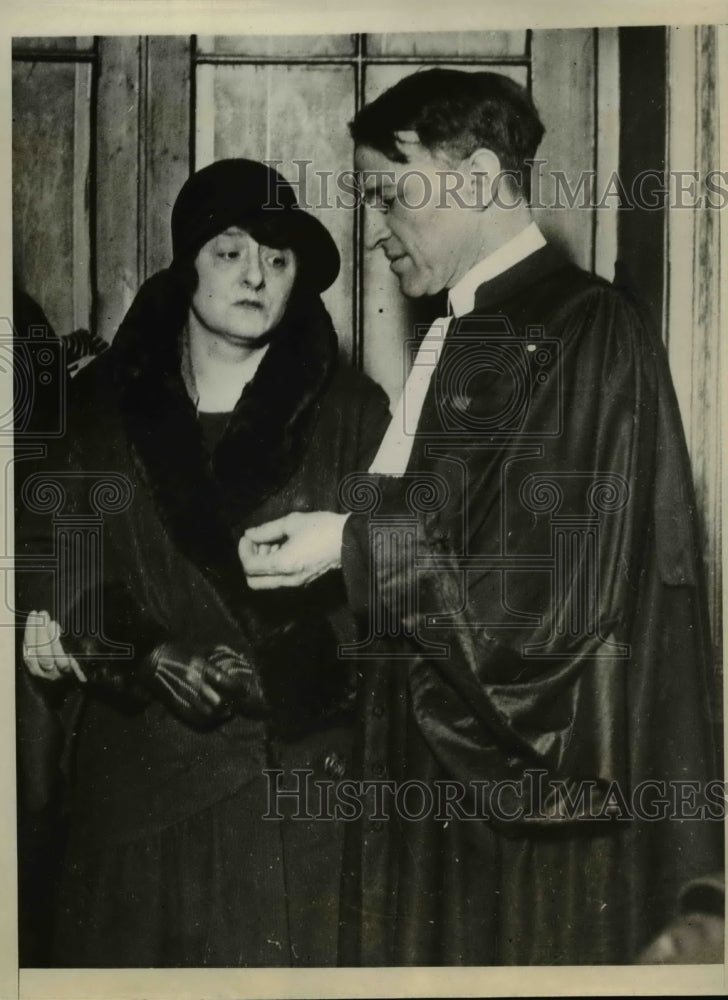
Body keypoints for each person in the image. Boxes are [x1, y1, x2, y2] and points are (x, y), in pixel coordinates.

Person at [238, 70, 723, 964]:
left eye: (389, 193)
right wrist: (330, 537)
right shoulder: (459, 333)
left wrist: (346, 543)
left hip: (512, 801)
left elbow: (545, 608)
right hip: (426, 772)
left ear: (475, 175)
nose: (376, 231)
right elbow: (443, 532)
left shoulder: (589, 330)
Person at [18, 158, 390, 967]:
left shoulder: (353, 416)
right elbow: (59, 563)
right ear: (186, 262)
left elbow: (389, 600)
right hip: (136, 786)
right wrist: (146, 652)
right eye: (229, 252)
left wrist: (285, 672)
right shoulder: (100, 411)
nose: (257, 274)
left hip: (294, 795)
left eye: (280, 257)